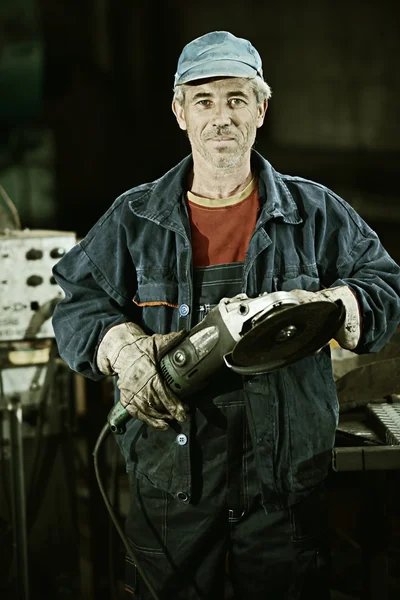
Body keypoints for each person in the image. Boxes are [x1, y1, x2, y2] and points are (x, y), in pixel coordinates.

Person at [51, 30, 400, 600]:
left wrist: (332, 305)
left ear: (261, 109)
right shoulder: (134, 219)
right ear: (179, 111)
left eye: (237, 99)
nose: (222, 117)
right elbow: (76, 302)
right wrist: (123, 347)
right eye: (205, 100)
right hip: (172, 482)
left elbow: (385, 284)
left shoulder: (314, 212)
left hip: (284, 484)